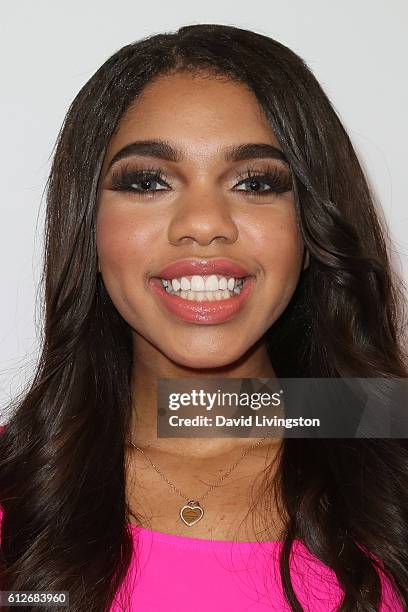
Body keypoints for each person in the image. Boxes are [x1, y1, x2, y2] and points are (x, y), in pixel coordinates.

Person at [0, 23, 407, 611]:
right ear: (86, 225)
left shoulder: (387, 447)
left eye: (254, 182)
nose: (204, 222)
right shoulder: (17, 489)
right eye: (148, 180)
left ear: (312, 225)